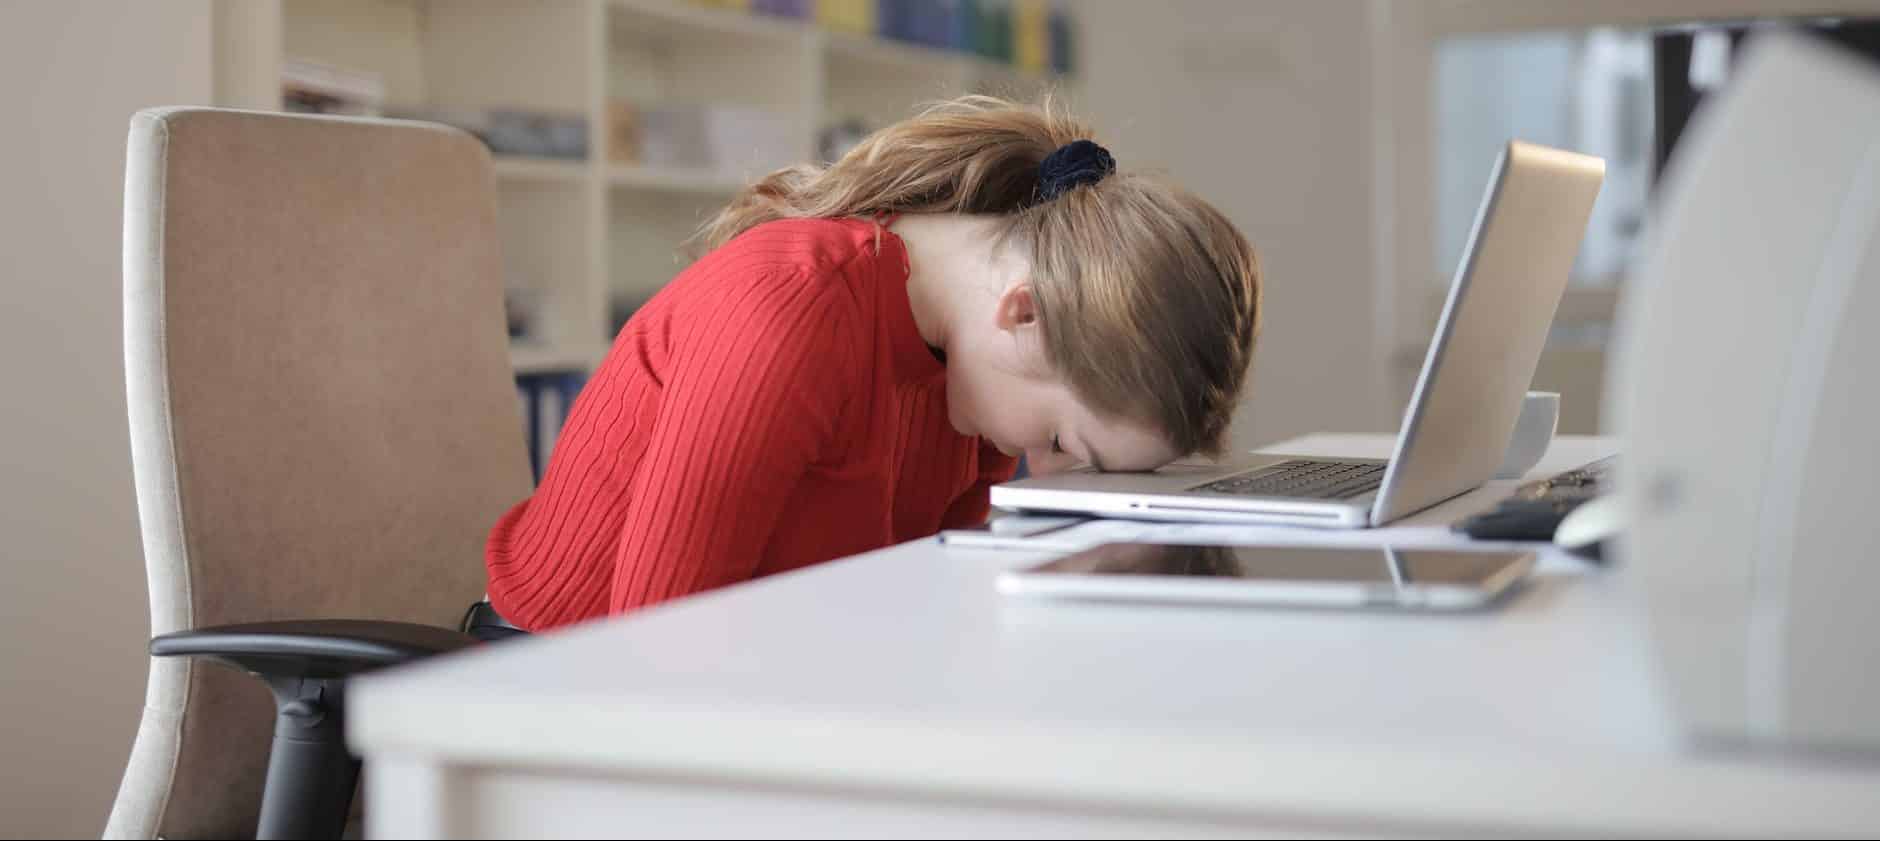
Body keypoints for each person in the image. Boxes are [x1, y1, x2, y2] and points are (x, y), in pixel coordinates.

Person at [482, 95, 1263, 631]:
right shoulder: (790, 311)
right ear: (1024, 312)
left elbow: (914, 610)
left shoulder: (973, 375)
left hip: (757, 673)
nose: (1048, 474)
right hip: (553, 687)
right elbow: (657, 650)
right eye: (1065, 444)